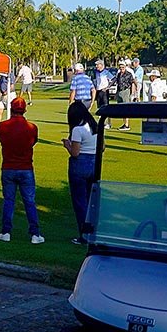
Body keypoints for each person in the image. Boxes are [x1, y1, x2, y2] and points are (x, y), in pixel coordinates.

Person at [0, 97, 44, 244]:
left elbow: (1, 139)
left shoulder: (3, 126)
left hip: (9, 167)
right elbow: (33, 142)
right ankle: (35, 233)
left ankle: (6, 231)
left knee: (9, 200)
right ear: (24, 110)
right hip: (26, 168)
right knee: (29, 201)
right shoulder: (32, 128)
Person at [62, 101, 100, 244]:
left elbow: (75, 153)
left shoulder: (78, 129)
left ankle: (84, 234)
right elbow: (102, 147)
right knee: (92, 200)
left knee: (80, 201)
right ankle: (93, 231)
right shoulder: (95, 126)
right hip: (94, 162)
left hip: (80, 164)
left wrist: (67, 145)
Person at [114, 60, 135, 130]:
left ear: (125, 67)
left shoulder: (129, 74)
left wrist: (133, 93)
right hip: (120, 91)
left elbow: (133, 83)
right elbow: (116, 82)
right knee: (121, 109)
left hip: (126, 91)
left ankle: (127, 124)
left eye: (123, 67)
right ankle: (124, 124)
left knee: (125, 108)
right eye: (120, 67)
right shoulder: (119, 74)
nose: (121, 68)